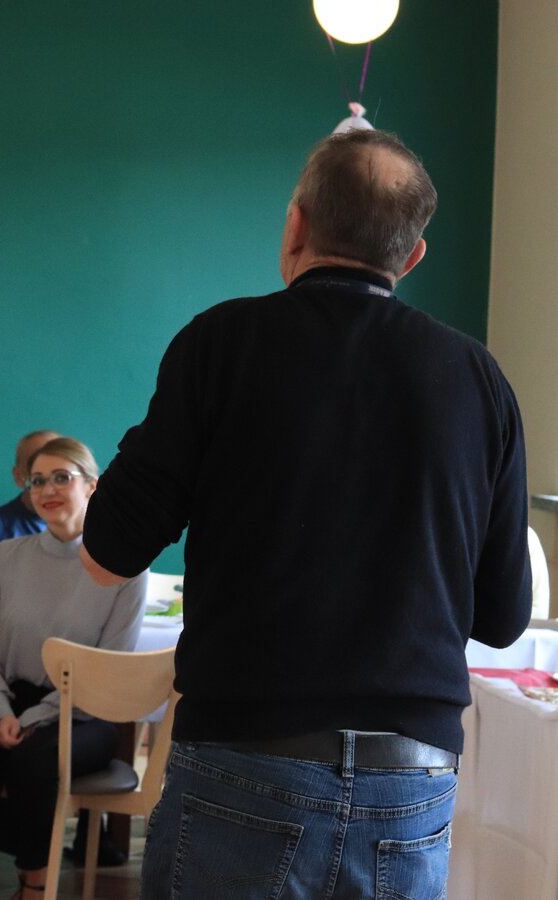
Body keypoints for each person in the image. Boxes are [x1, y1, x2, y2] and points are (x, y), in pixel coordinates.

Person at [79, 130, 531, 898]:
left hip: (245, 754)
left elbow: (107, 555)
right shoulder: (479, 378)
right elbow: (502, 618)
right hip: (411, 776)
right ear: (412, 256)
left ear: (296, 224)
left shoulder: (221, 343)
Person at [0, 437, 146, 900]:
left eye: (62, 477)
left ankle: (34, 883)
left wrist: (32, 718)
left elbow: (107, 669)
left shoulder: (125, 569)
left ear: (92, 485)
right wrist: (1, 710)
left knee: (34, 761)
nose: (47, 489)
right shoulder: (5, 557)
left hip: (80, 710)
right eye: (37, 480)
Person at [0, 430, 60, 546]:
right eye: (34, 464)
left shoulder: (81, 525)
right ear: (18, 476)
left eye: (62, 476)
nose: (49, 487)